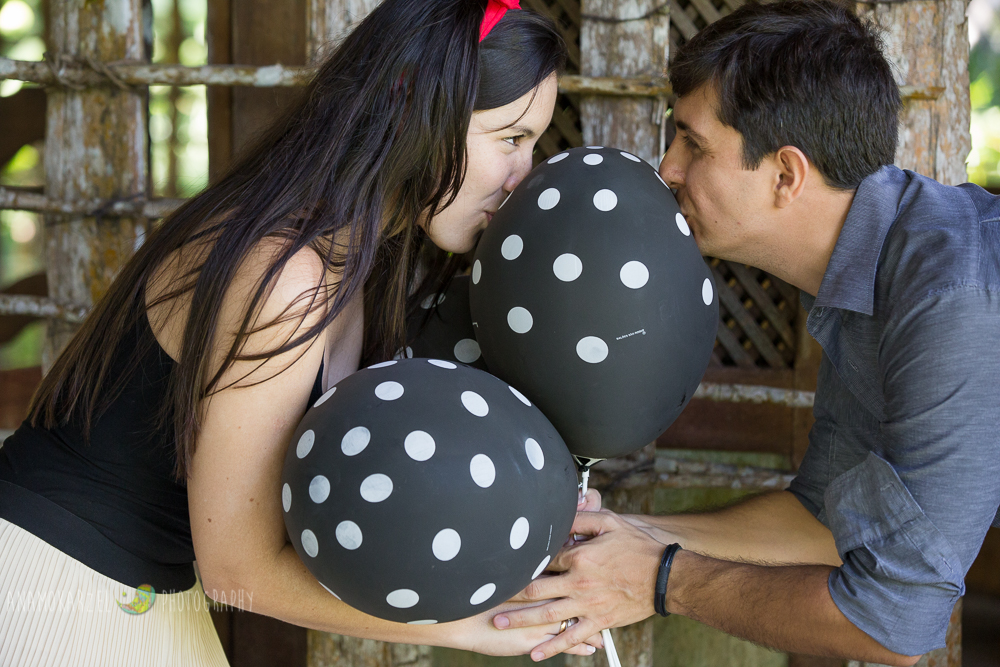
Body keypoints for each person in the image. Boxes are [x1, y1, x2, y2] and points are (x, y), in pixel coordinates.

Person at [0, 0, 604, 663]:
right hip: (58, 585)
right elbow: (238, 569)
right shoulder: (286, 275)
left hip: (143, 590)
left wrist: (536, 512)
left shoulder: (358, 260)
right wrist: (464, 624)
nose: (523, 177)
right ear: (419, 113)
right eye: (511, 138)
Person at [489, 2, 1000, 665]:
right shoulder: (875, 271)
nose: (667, 168)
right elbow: (819, 525)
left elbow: (891, 624)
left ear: (786, 175)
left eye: (693, 144)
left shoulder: (948, 297)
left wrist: (658, 579)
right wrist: (619, 537)